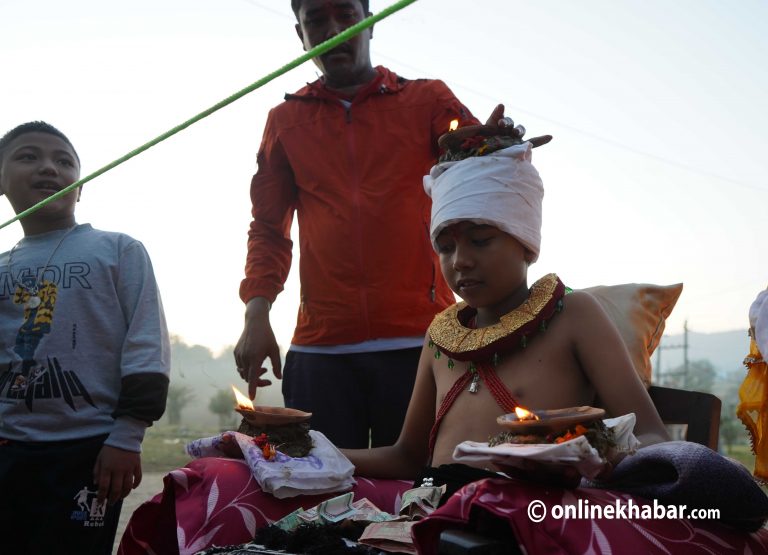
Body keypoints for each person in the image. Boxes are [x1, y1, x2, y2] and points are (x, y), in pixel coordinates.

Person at [344, 121, 671, 480]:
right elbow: (407, 457)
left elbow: (653, 436)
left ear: (526, 244)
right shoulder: (440, 334)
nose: (460, 261)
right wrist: (316, 453)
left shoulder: (573, 315)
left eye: (481, 240)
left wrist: (592, 457)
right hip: (434, 512)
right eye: (446, 247)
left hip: (533, 520)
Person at [234, 0, 479, 449]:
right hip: (320, 350)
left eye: (347, 15)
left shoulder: (428, 100)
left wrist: (493, 147)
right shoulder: (284, 122)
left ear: (371, 22)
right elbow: (268, 229)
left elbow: (482, 178)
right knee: (319, 497)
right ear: (301, 35)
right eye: (316, 21)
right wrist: (256, 315)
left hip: (422, 343)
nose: (334, 29)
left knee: (420, 497)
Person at [0, 121, 170, 554]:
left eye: (64, 161)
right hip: (9, 447)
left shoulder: (117, 249)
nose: (48, 168)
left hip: (91, 451)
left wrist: (127, 436)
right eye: (27, 156)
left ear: (81, 186)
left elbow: (146, 345)